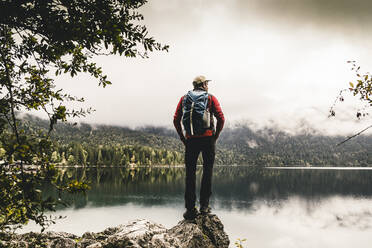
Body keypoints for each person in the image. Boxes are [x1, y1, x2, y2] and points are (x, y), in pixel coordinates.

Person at [173, 75, 225, 220]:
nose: (208, 85)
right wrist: (216, 135)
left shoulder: (184, 99)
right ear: (203, 85)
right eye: (207, 83)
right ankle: (204, 207)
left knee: (190, 174)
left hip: (191, 140)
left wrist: (182, 137)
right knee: (207, 172)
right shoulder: (210, 98)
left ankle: (190, 209)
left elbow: (176, 119)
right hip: (208, 139)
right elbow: (221, 118)